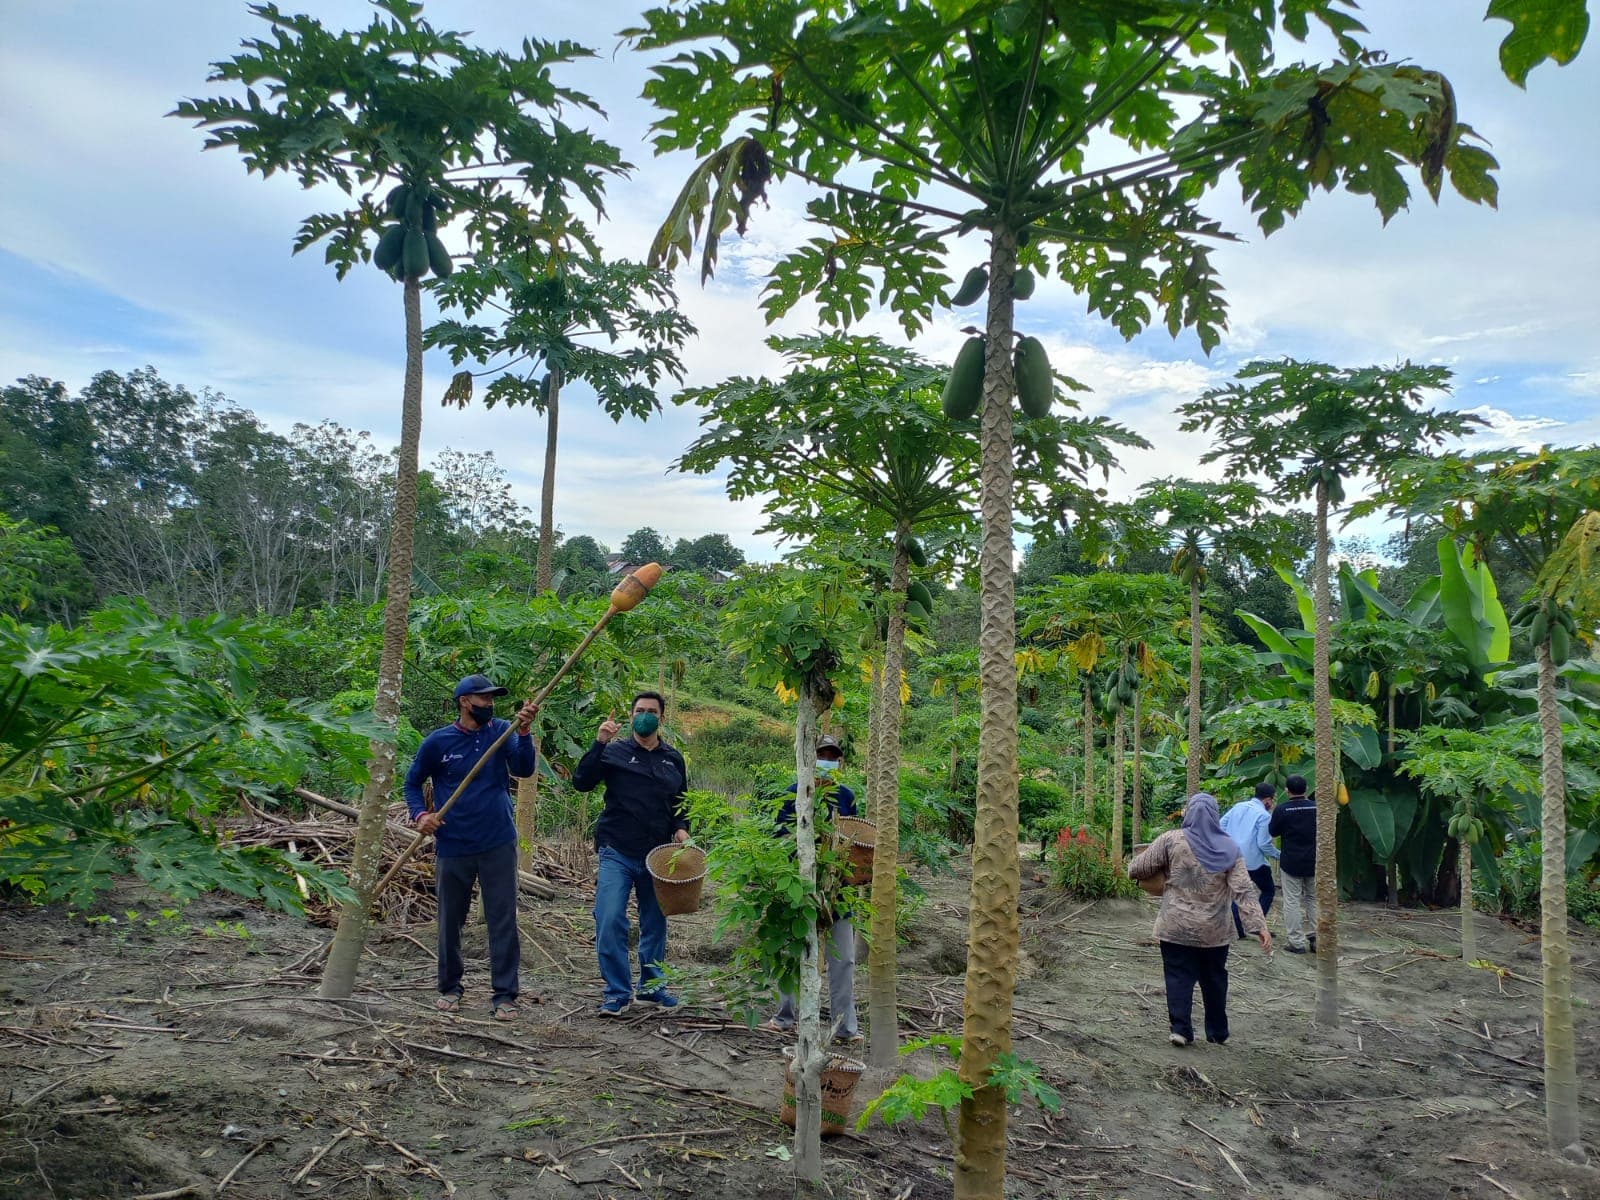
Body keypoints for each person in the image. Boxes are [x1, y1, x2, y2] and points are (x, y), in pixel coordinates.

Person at [404, 673, 538, 1021]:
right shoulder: (438, 742)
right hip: (454, 843)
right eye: (484, 699)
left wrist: (524, 733)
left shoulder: (501, 731)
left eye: (492, 699)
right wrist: (420, 815)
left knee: (502, 919)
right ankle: (450, 987)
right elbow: (412, 783)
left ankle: (505, 994)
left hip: (497, 841)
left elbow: (524, 769)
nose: (490, 705)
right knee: (450, 920)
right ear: (465, 701)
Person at [572, 690, 690, 1016]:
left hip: (658, 855)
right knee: (609, 919)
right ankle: (617, 992)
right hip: (617, 850)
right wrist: (599, 742)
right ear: (631, 715)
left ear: (662, 718)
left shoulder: (673, 758)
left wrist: (682, 828)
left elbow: (681, 801)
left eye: (651, 710)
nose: (645, 715)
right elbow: (581, 782)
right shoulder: (614, 752)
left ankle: (652, 989)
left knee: (655, 923)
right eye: (639, 710)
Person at [1126, 793, 1271, 1047]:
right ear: (1215, 815)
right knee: (1214, 978)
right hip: (1215, 931)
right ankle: (1217, 1032)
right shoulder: (1230, 847)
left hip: (1175, 926)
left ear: (1189, 812)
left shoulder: (1171, 840)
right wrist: (1258, 926)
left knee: (1178, 975)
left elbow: (1136, 869)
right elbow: (1243, 890)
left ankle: (1180, 1030)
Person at [763, 733, 862, 1045]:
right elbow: (779, 840)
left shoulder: (846, 796)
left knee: (844, 959)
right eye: (822, 755)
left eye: (832, 757)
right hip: (798, 887)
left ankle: (845, 1027)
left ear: (839, 762)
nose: (827, 762)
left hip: (838, 889)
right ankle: (784, 1016)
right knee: (794, 951)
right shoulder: (792, 795)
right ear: (809, 758)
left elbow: (854, 840)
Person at [1219, 783, 1280, 940]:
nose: (1271, 804)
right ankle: (1257, 925)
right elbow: (1264, 844)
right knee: (1268, 890)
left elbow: (1221, 824)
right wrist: (1279, 855)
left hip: (1232, 856)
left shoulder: (1239, 806)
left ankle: (1238, 929)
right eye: (1272, 801)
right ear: (1267, 800)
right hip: (1253, 861)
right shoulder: (1264, 815)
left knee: (1239, 893)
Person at [1267, 775, 1317, 954]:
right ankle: (1318, 937)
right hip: (1315, 861)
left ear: (1287, 791)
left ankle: (1296, 942)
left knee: (1292, 901)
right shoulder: (1317, 807)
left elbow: (1272, 831)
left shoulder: (1283, 809)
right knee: (1313, 898)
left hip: (1291, 862)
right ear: (1307, 788)